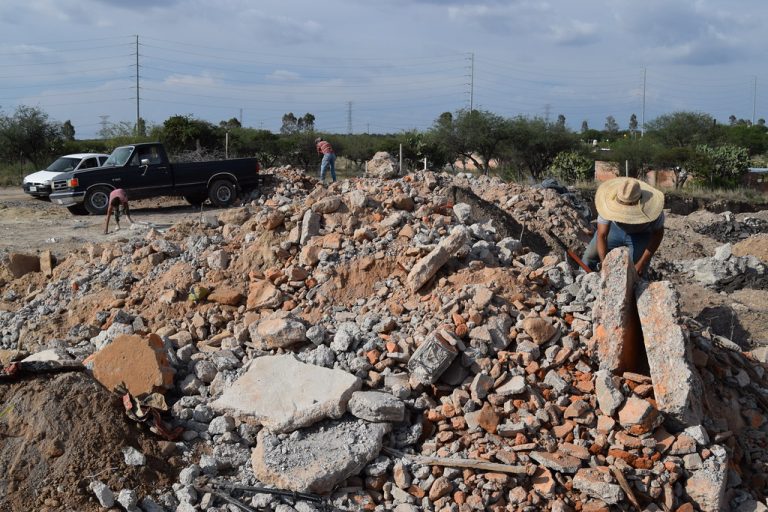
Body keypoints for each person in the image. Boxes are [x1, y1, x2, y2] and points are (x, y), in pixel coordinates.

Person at [582, 177, 665, 277]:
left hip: (641, 234)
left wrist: (641, 263)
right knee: (588, 257)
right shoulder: (607, 205)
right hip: (615, 230)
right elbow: (602, 235)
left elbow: (658, 234)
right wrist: (604, 264)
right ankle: (582, 279)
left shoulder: (653, 209)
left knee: (635, 271)